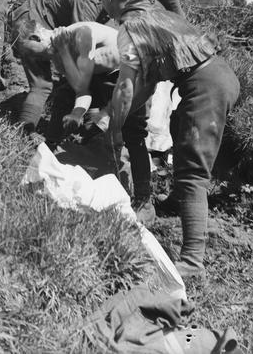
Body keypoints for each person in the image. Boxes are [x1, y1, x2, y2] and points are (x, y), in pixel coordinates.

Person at [94, 0, 240, 277]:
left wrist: (113, 123)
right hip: (219, 74)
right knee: (179, 126)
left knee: (192, 171)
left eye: (101, 1)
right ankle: (177, 202)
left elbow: (127, 87)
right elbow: (148, 84)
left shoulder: (130, 28)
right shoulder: (157, 13)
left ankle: (192, 261)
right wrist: (117, 114)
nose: (102, 7)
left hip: (206, 86)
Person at [18, 19, 154, 223]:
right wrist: (76, 113)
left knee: (132, 134)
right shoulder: (58, 56)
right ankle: (48, 156)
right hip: (103, 79)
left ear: (36, 37)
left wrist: (104, 116)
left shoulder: (79, 34)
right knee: (64, 97)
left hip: (132, 76)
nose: (35, 58)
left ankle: (144, 200)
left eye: (32, 52)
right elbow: (83, 91)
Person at [10, 0, 108, 134]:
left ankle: (26, 133)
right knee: (42, 84)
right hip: (31, 25)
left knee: (46, 84)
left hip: (36, 24)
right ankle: (24, 133)